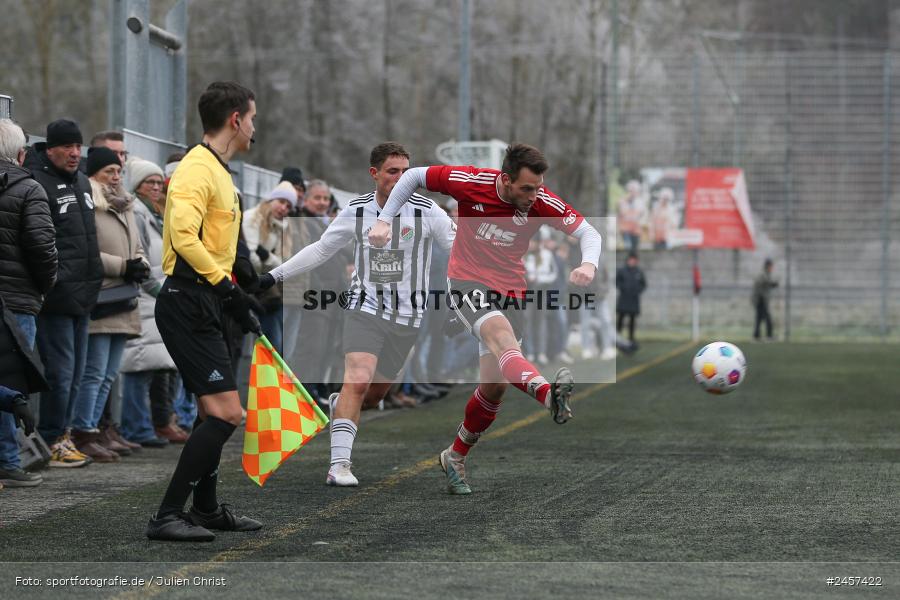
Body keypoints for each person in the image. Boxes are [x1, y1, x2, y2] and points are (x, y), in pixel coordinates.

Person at [368, 142, 602, 494]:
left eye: (538, 188)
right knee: (502, 339)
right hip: (466, 281)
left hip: (511, 289)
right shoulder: (470, 181)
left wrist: (588, 263)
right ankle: (547, 395)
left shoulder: (540, 201)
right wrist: (385, 220)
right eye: (526, 188)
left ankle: (455, 454)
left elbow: (589, 232)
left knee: (494, 388)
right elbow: (415, 175)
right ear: (505, 180)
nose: (533, 196)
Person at [259, 142, 455, 486]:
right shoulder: (356, 210)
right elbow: (320, 249)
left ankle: (343, 403)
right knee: (359, 378)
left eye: (406, 173)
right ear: (374, 173)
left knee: (374, 395)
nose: (400, 179)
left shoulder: (428, 211)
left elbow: (459, 254)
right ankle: (339, 466)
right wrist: (273, 276)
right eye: (392, 171)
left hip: (408, 317)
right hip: (365, 307)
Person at [146, 81, 263, 541]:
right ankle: (167, 515)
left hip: (209, 299)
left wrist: (245, 278)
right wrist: (227, 289)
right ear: (235, 119)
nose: (255, 127)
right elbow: (184, 239)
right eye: (252, 118)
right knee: (226, 414)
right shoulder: (196, 168)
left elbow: (220, 240)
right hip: (188, 300)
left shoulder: (219, 170)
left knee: (210, 412)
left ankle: (208, 509)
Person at [25, 118, 104, 469]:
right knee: (60, 372)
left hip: (84, 295)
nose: (75, 153)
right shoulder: (37, 181)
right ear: (51, 148)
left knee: (76, 373)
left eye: (78, 146)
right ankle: (51, 436)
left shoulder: (84, 181)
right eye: (68, 147)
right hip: (57, 297)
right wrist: (53, 282)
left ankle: (63, 435)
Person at [69, 148, 150, 462]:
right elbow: (86, 250)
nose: (116, 178)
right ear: (94, 174)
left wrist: (139, 263)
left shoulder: (126, 203)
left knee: (108, 373)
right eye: (109, 172)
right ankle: (83, 430)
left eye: (118, 172)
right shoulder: (89, 202)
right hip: (102, 296)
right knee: (94, 371)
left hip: (124, 298)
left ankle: (96, 430)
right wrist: (122, 266)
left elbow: (138, 245)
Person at [0, 119, 57, 487]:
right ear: (21, 154)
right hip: (17, 299)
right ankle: (9, 461)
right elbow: (42, 248)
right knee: (11, 380)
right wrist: (45, 286)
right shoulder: (28, 188)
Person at [119, 158, 183, 447]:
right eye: (150, 182)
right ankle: (137, 426)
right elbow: (140, 252)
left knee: (158, 365)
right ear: (137, 185)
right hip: (147, 296)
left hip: (159, 294)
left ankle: (154, 423)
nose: (156, 187)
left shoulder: (156, 212)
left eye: (159, 182)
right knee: (139, 364)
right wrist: (155, 288)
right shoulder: (138, 212)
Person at [242, 182, 297, 351]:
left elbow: (283, 265)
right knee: (267, 343)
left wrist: (266, 255)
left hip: (265, 289)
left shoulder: (281, 227)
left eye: (288, 206)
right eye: (281, 201)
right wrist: (267, 261)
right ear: (272, 199)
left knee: (275, 342)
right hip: (248, 284)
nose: (283, 208)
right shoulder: (252, 218)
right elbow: (251, 257)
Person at [615, 251, 646, 343]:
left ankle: (631, 338)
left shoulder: (639, 271)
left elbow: (643, 284)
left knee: (632, 320)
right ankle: (617, 337)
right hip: (624, 298)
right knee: (621, 318)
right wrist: (623, 288)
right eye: (631, 260)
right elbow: (617, 282)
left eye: (634, 260)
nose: (632, 262)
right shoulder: (622, 270)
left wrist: (637, 291)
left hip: (634, 299)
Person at [752, 258, 778, 341]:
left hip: (762, 300)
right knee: (766, 318)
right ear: (767, 266)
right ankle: (768, 335)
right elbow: (763, 283)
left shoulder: (766, 274)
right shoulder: (763, 274)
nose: (772, 268)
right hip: (760, 300)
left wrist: (772, 284)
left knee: (759, 318)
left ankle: (757, 336)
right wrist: (772, 284)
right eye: (771, 266)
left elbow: (768, 283)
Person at [617, 180, 644, 252]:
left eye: (635, 191)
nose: (633, 193)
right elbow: (621, 214)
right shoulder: (622, 201)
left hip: (636, 231)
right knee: (628, 248)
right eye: (631, 191)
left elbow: (641, 215)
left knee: (634, 250)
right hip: (626, 230)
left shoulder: (639, 202)